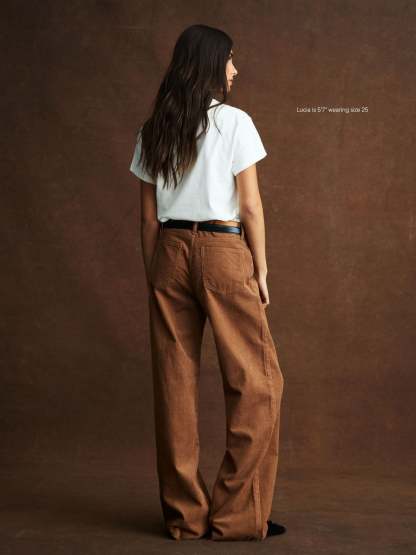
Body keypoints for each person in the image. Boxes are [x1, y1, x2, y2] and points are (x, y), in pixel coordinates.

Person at [129, 24, 285, 542]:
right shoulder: (234, 122)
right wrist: (260, 268)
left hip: (169, 252)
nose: (235, 69)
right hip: (222, 250)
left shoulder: (154, 128)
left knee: (174, 384)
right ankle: (237, 516)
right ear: (211, 63)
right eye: (230, 59)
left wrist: (156, 274)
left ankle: (186, 517)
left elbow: (147, 219)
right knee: (258, 382)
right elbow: (250, 206)